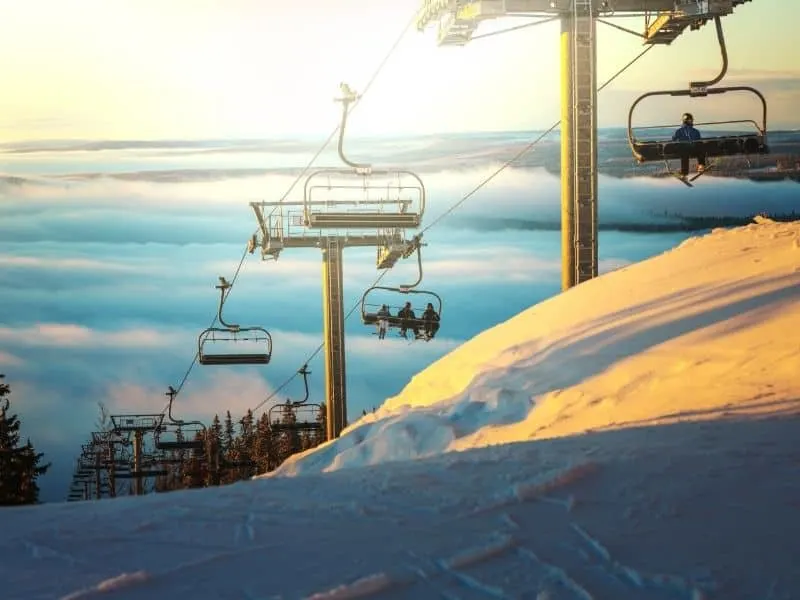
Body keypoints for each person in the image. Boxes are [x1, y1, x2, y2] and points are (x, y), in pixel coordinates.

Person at [672, 112, 707, 178]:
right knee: (684, 152)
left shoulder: (695, 131)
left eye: (692, 120)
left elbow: (699, 141)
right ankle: (684, 173)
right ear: (686, 121)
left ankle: (701, 166)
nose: (692, 121)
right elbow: (674, 140)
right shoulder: (679, 131)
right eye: (690, 120)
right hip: (685, 149)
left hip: (692, 148)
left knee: (700, 146)